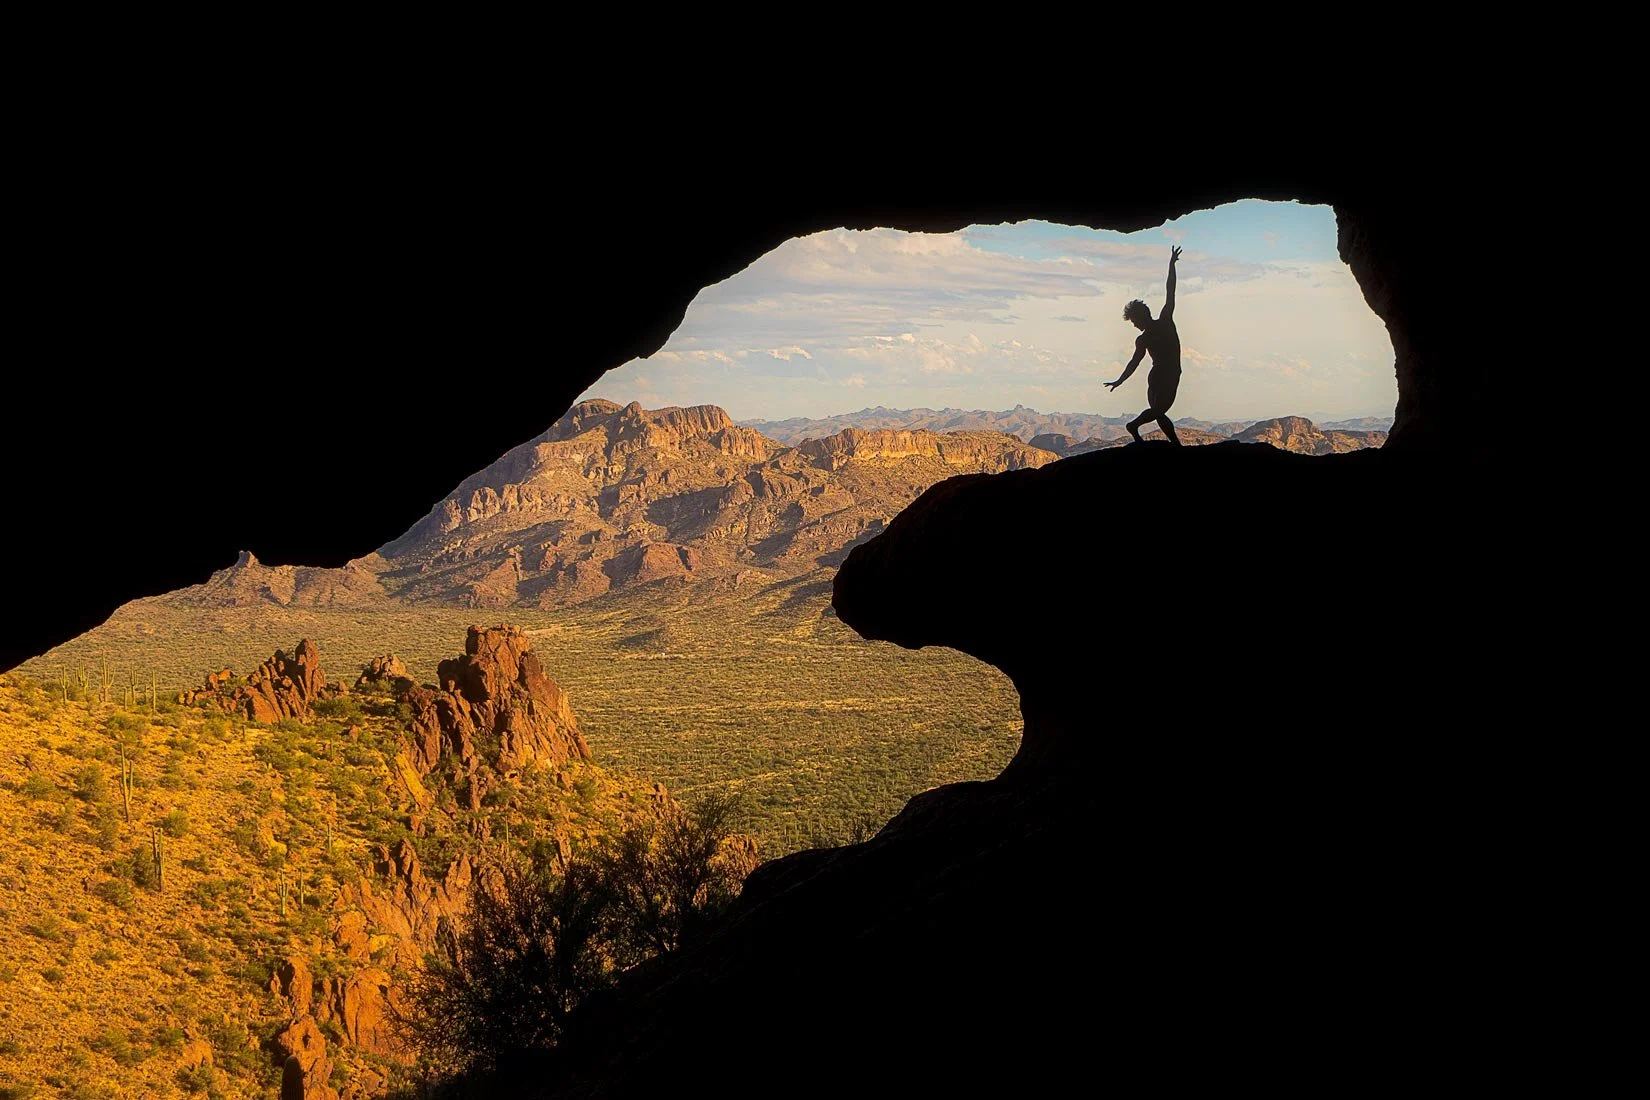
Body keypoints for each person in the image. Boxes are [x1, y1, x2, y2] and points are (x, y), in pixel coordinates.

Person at [1105, 246, 1183, 445]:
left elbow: (1170, 290)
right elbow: (1134, 362)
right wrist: (1119, 380)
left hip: (1159, 374)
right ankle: (1134, 426)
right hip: (1166, 374)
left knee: (1158, 412)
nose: (1135, 325)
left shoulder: (1159, 325)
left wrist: (1171, 266)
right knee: (1159, 410)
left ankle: (1175, 444)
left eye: (1134, 321)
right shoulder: (1161, 324)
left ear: (1142, 316)